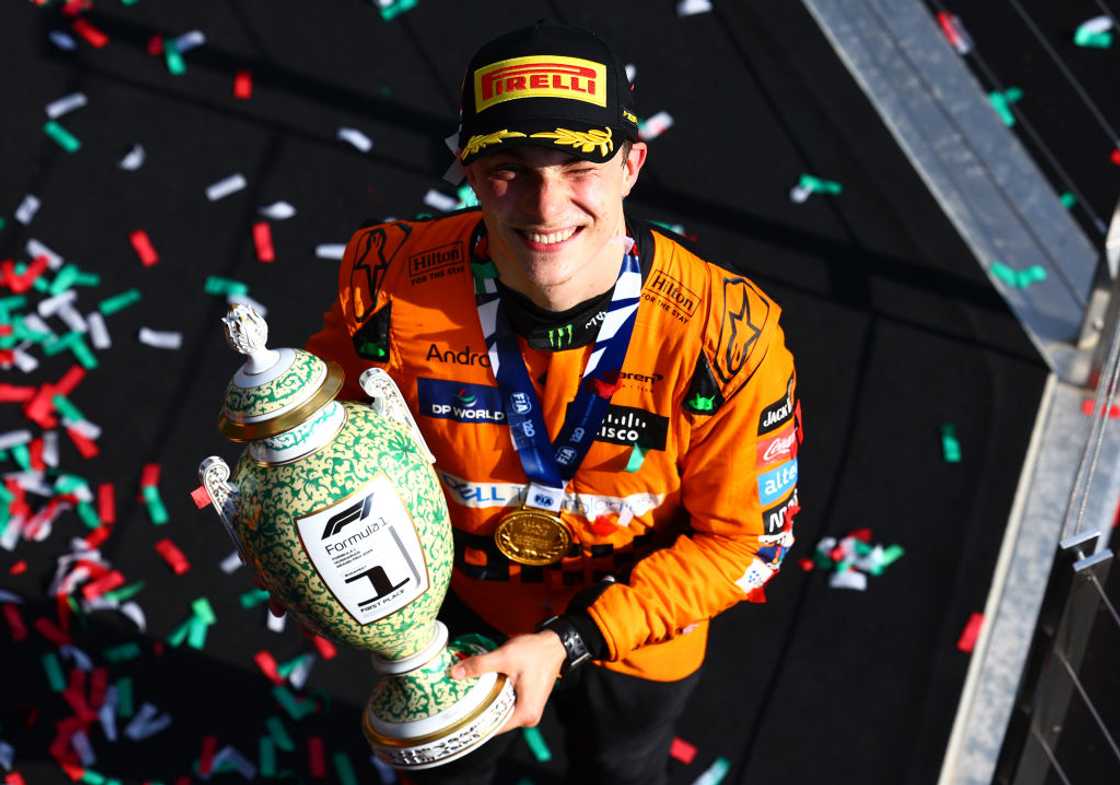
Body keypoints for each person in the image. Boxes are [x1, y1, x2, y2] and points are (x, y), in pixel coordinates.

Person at [303, 20, 802, 785]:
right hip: (453, 613)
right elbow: (324, 438)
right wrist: (285, 526)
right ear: (466, 170)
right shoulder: (388, 283)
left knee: (624, 770)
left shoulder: (728, 337)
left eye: (578, 165)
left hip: (639, 633)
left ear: (632, 166)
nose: (545, 204)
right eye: (509, 167)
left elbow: (746, 545)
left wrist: (570, 639)